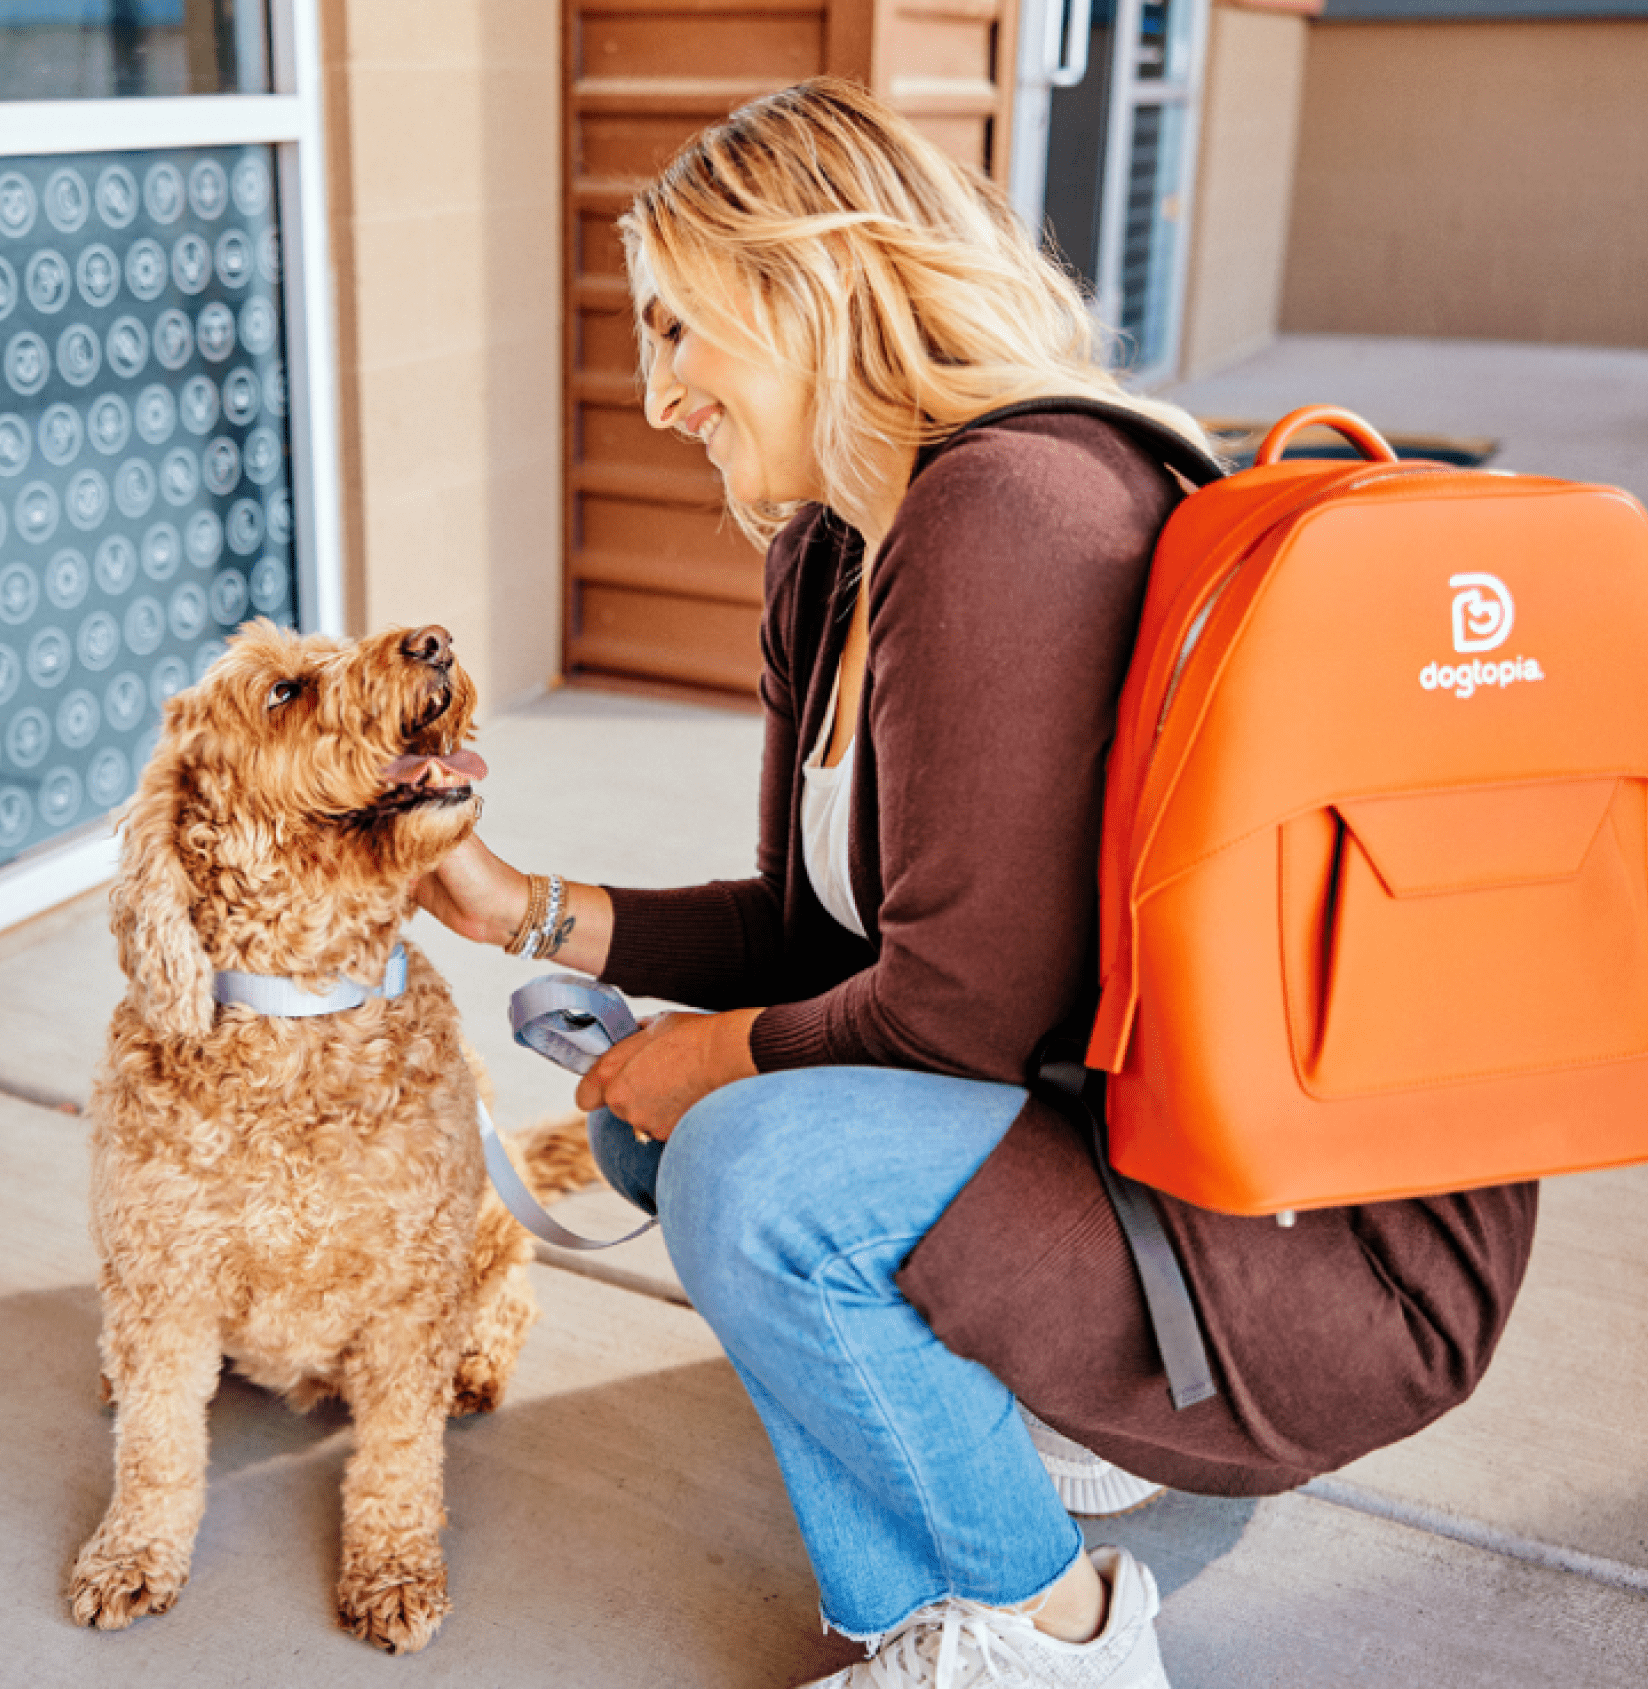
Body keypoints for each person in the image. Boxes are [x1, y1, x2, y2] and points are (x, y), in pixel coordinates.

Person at [415, 78, 1537, 1689]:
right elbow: (813, 935)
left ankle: (1063, 1635)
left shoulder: (1010, 508)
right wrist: (525, 907)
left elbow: (960, 1014)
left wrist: (707, 1059)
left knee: (742, 1165)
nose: (657, 396)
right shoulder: (835, 550)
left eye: (676, 328)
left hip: (1296, 1250)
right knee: (647, 1121)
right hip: (1096, 1139)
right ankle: (928, 1610)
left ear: (808, 285)